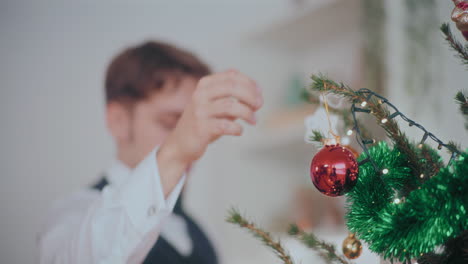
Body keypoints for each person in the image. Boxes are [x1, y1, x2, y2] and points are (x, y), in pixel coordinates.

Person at [37, 41, 263, 264]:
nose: (191, 137)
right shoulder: (72, 215)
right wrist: (174, 153)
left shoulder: (204, 234)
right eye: (170, 122)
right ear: (118, 121)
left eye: (193, 121)